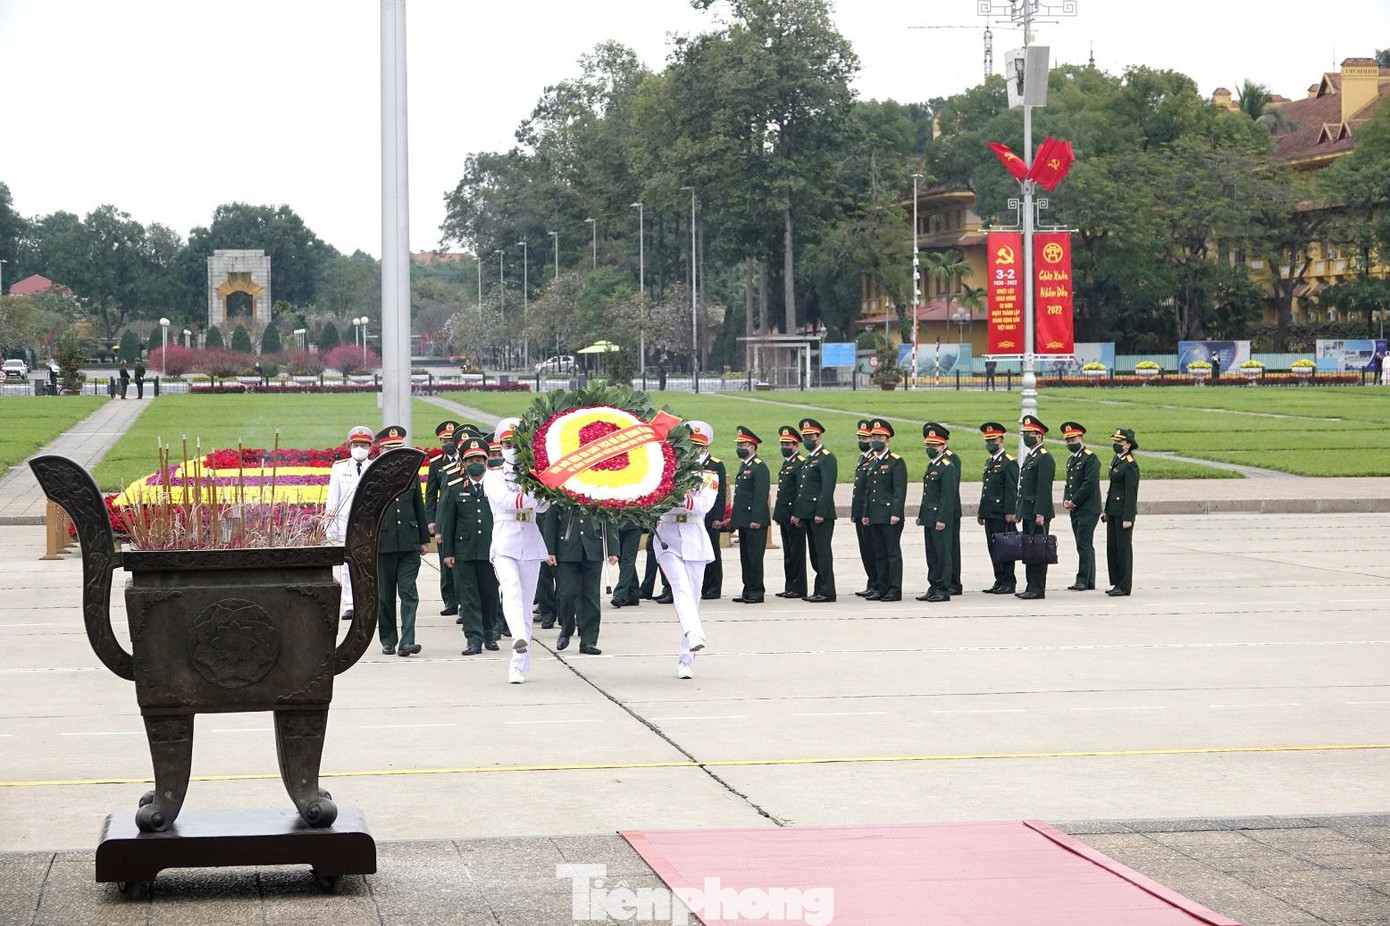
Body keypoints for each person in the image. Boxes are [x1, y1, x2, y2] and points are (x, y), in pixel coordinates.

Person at [484, 416, 556, 684]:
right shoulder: (493, 476)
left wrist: (543, 487)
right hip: (504, 539)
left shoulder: (534, 474)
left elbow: (544, 506)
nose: (511, 448)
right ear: (499, 446)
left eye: (516, 443)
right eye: (507, 444)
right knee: (511, 589)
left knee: (526, 603)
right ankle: (518, 637)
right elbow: (506, 501)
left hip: (530, 538)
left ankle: (518, 665)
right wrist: (534, 495)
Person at [652, 464, 719, 678]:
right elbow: (656, 504)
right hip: (667, 537)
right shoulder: (662, 471)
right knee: (680, 586)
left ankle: (686, 659)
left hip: (694, 538)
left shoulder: (709, 476)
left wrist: (678, 497)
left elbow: (704, 506)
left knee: (693, 597)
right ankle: (693, 632)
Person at [440, 438, 501, 654]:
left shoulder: (496, 487)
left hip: (490, 550)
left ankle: (490, 634)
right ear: (464, 463)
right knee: (469, 597)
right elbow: (449, 522)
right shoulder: (456, 488)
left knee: (490, 595)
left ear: (486, 462)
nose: (475, 463)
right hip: (464, 552)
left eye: (479, 460)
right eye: (471, 460)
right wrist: (448, 552)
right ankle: (473, 638)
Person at [373, 425, 431, 656]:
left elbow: (419, 506)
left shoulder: (410, 475)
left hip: (408, 542)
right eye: (390, 449)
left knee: (408, 593)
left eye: (398, 448)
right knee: (385, 596)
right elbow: (367, 514)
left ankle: (407, 641)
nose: (394, 453)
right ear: (381, 450)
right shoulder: (374, 476)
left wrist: (423, 539)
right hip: (383, 545)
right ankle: (388, 639)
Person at [546, 502, 614, 654]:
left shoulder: (599, 491)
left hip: (593, 546)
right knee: (567, 593)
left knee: (591, 596)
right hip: (567, 547)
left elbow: (609, 517)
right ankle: (567, 629)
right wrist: (550, 549)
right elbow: (551, 521)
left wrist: (612, 549)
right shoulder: (561, 490)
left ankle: (589, 640)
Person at [324, 426, 375, 620]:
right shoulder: (339, 468)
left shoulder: (375, 466)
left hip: (368, 525)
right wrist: (330, 528)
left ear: (370, 447)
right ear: (350, 446)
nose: (359, 448)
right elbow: (333, 500)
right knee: (347, 567)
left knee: (368, 566)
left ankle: (366, 602)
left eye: (364, 445)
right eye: (356, 444)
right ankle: (350, 604)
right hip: (345, 524)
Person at [792, 418, 836, 602]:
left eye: (811, 436)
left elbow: (827, 488)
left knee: (822, 554)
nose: (807, 439)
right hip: (809, 513)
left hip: (820, 515)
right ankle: (819, 589)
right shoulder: (810, 458)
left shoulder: (826, 458)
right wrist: (799, 513)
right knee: (815, 554)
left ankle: (827, 591)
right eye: (805, 437)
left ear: (819, 437)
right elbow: (803, 489)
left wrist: (821, 512)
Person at [863, 419, 907, 601]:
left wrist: (896, 513)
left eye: (880, 437)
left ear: (888, 440)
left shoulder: (896, 462)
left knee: (892, 554)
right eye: (873, 437)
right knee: (879, 553)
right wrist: (866, 513)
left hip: (889, 516)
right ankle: (881, 587)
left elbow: (899, 491)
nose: (876, 440)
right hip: (875, 515)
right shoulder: (873, 462)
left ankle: (894, 589)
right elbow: (869, 491)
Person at [915, 423, 958, 602]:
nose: (930, 448)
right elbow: (927, 494)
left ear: (942, 446)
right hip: (929, 517)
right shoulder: (932, 465)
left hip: (939, 518)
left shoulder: (948, 467)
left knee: (942, 554)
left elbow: (948, 497)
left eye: (934, 445)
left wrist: (942, 518)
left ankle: (943, 588)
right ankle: (933, 585)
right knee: (932, 555)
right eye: (928, 445)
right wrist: (921, 515)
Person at [426, 420, 464, 620]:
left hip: (463, 514)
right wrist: (431, 520)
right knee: (445, 561)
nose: (448, 443)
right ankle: (450, 600)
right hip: (444, 516)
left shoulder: (466, 459)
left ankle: (463, 601)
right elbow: (431, 495)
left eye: (451, 439)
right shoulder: (436, 463)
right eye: (444, 440)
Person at [1016, 415, 1056, 600]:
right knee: (1029, 550)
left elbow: (1044, 488)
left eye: (1030, 434)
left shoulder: (1044, 457)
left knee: (1038, 550)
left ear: (1039, 436)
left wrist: (1040, 512)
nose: (1026, 437)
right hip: (1028, 511)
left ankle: (1037, 588)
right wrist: (1019, 511)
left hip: (1037, 512)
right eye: (1025, 433)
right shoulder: (1032, 456)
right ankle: (1030, 585)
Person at [729, 426, 770, 604]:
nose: (739, 448)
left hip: (754, 521)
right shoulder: (745, 465)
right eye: (738, 444)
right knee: (745, 558)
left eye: (742, 445)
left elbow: (761, 495)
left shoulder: (759, 467)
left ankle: (757, 591)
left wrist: (756, 519)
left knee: (754, 558)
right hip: (744, 520)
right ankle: (747, 589)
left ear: (752, 447)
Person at [977, 423, 1019, 594]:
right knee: (993, 547)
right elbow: (986, 490)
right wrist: (981, 511)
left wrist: (1011, 511)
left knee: (1006, 547)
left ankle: (1008, 581)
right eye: (987, 441)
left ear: (1001, 440)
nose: (990, 444)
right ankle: (999, 579)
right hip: (990, 512)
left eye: (993, 440)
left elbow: (1011, 489)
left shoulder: (1008, 462)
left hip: (1002, 513)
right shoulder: (989, 462)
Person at [688, 421, 727, 600]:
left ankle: (714, 587)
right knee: (695, 551)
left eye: (698, 446)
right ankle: (700, 585)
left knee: (712, 551)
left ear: (706, 446)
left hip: (710, 515)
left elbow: (721, 493)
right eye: (693, 445)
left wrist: (718, 516)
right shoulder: (687, 463)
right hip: (693, 515)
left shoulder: (715, 464)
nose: (695, 449)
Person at [1061, 422, 1101, 592]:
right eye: (1067, 440)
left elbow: (1089, 484)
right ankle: (1089, 580)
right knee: (1083, 544)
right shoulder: (1071, 459)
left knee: (1084, 544)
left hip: (1088, 508)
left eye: (1073, 439)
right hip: (1075, 508)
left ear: (1081, 438)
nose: (1070, 442)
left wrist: (1074, 501)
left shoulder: (1090, 458)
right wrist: (1066, 499)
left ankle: (1083, 579)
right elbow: (1069, 484)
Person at [1104, 428, 1141, 597]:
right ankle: (1116, 582)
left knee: (1123, 549)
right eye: (1115, 441)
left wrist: (1128, 517)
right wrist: (1106, 510)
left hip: (1123, 513)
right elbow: (1112, 488)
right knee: (1113, 548)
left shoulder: (1130, 464)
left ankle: (1124, 585)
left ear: (1128, 445)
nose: (1116, 444)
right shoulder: (1117, 459)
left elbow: (1131, 493)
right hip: (1113, 510)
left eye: (1119, 442)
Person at [772, 425, 807, 599]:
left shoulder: (800, 463)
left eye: (788, 444)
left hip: (794, 515)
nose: (784, 447)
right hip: (785, 515)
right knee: (788, 553)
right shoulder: (788, 462)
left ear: (796, 445)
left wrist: (797, 513)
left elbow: (800, 491)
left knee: (796, 553)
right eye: (783, 444)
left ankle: (799, 587)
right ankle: (790, 585)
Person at [850, 420, 876, 598]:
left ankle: (876, 582)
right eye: (860, 437)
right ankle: (871, 581)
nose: (861, 441)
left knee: (872, 549)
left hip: (869, 511)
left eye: (865, 438)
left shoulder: (874, 458)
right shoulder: (862, 457)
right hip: (860, 510)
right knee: (865, 550)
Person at [941, 431, 965, 597]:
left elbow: (951, 489)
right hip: (942, 511)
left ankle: (954, 582)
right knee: (943, 549)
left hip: (951, 511)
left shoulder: (951, 458)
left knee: (951, 548)